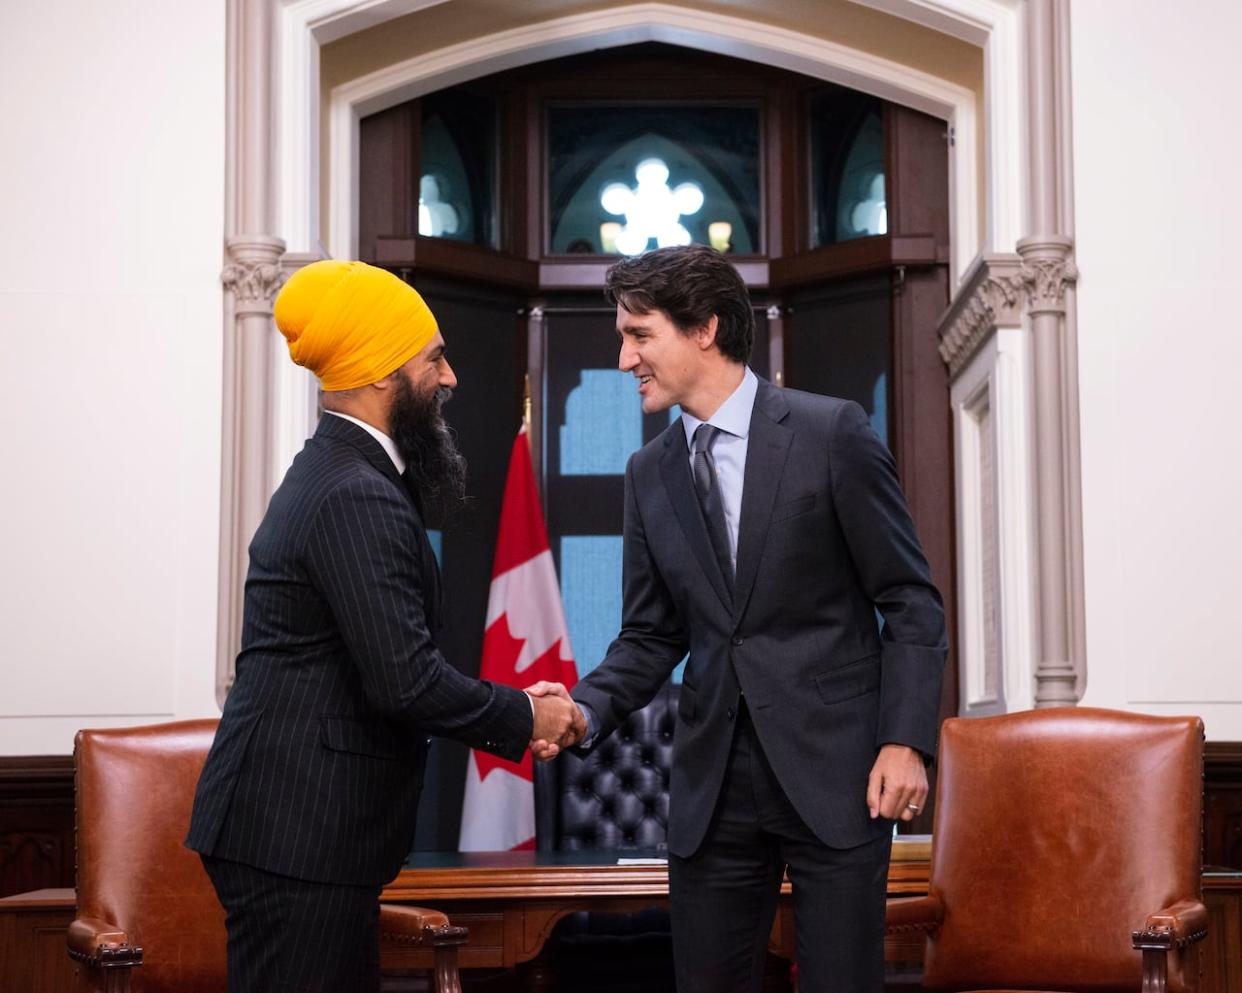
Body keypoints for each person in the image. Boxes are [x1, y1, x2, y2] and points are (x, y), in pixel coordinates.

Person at [531, 244, 946, 993]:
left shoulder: (833, 433)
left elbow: (910, 599)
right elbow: (652, 633)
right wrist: (584, 711)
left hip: (839, 774)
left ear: (705, 329)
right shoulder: (646, 471)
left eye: (638, 334)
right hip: (713, 785)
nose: (624, 359)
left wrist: (905, 740)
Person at [186, 259, 584, 993]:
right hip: (298, 833)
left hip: (304, 831)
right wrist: (528, 711)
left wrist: (514, 706)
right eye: (433, 356)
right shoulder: (354, 492)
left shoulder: (349, 474)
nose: (452, 376)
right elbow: (406, 679)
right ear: (379, 374)